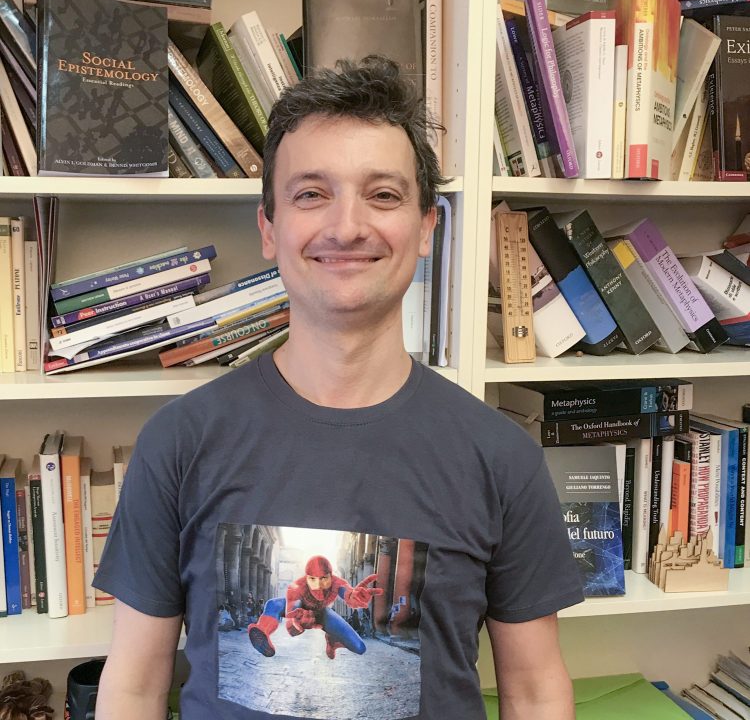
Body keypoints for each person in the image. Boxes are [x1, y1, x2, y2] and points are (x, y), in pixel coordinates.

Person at [93, 55, 583, 720]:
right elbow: (133, 687)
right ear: (269, 230)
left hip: (332, 626)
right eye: (311, 194)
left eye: (382, 195)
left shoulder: (502, 459)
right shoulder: (177, 443)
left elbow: (535, 691)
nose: (347, 226)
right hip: (291, 619)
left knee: (344, 637)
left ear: (427, 228)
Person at [247, 555, 380, 660]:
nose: (319, 586)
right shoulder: (296, 588)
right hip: (301, 609)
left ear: (331, 576)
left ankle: (332, 640)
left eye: (324, 579)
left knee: (360, 648)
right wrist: (299, 623)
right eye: (313, 579)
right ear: (307, 578)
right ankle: (263, 631)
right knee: (273, 604)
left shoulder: (337, 582)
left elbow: (346, 591)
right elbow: (291, 630)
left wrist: (353, 596)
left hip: (322, 613)